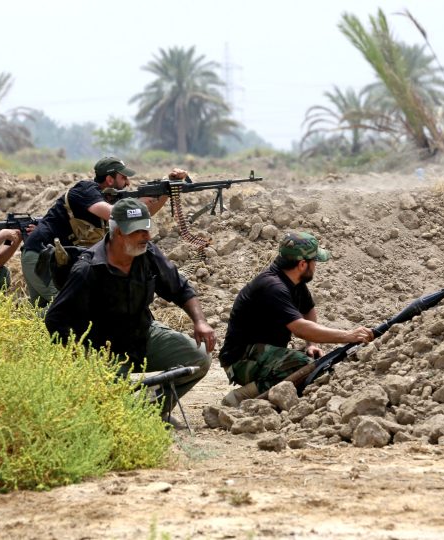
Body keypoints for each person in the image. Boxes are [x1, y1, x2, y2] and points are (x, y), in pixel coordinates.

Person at [44, 198, 214, 419]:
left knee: (199, 358)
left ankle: (152, 412)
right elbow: (55, 319)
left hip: (142, 336)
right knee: (109, 410)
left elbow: (180, 289)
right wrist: (81, 356)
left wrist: (200, 321)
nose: (147, 236)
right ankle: (126, 416)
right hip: (105, 352)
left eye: (147, 229)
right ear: (118, 233)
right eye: (138, 231)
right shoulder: (87, 269)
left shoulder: (148, 254)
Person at [218, 232, 375, 406]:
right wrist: (348, 335)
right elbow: (300, 328)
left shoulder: (294, 282)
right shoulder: (273, 287)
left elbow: (308, 311)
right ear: (302, 264)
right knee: (303, 367)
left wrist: (311, 344)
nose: (315, 266)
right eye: (314, 261)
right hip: (240, 359)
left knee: (313, 366)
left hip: (260, 353)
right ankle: (241, 398)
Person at [21, 156, 185, 307]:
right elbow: (113, 213)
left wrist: (165, 191)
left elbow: (141, 215)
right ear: (109, 179)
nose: (128, 183)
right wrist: (138, 202)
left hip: (55, 260)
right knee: (66, 308)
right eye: (123, 177)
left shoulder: (112, 198)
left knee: (42, 311)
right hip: (38, 254)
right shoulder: (85, 190)